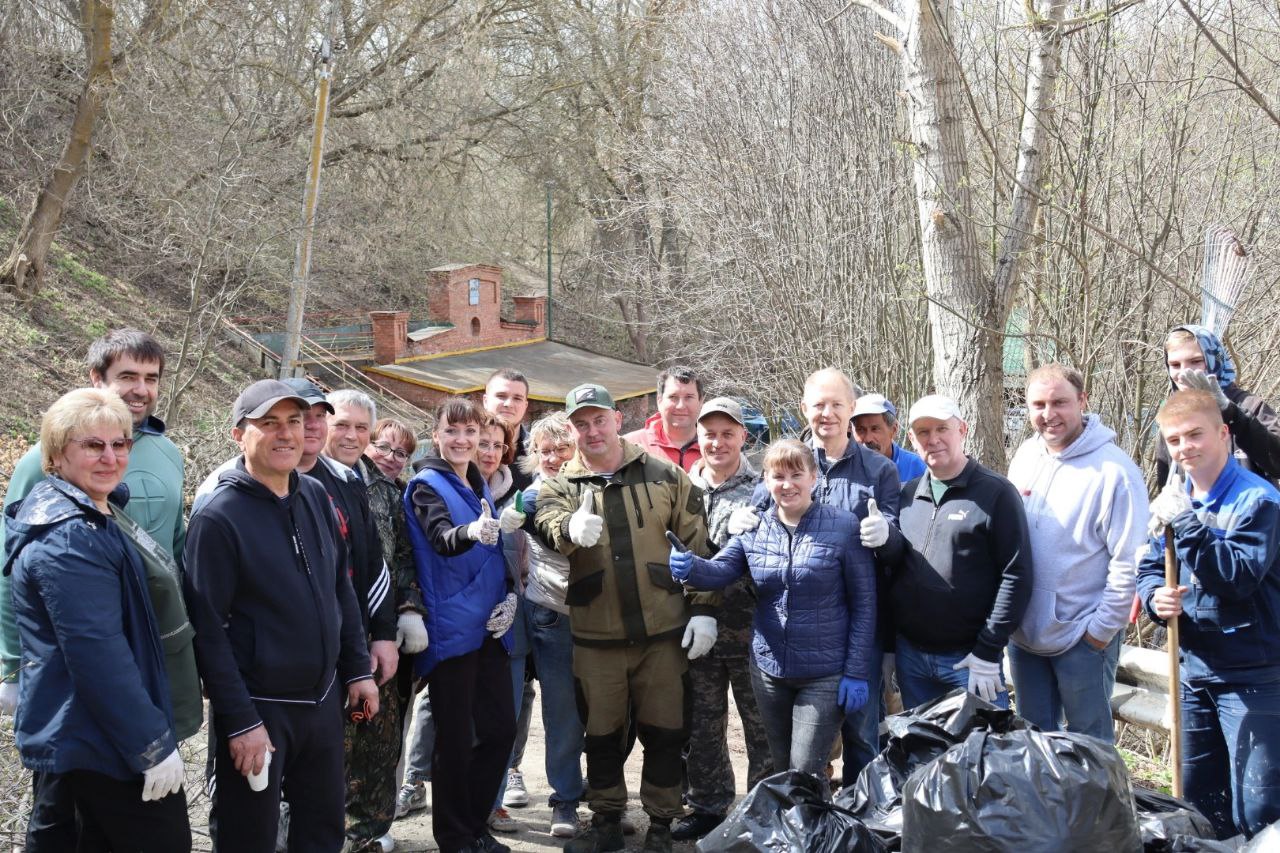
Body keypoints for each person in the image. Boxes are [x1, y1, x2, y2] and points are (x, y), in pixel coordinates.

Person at [184, 379, 378, 853]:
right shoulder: (218, 518)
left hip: (323, 703)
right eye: (268, 423)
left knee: (322, 833)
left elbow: (340, 589)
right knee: (247, 837)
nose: (286, 434)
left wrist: (356, 668)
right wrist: (240, 721)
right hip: (261, 709)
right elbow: (208, 634)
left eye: (294, 421)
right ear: (239, 434)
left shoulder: (314, 496)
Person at [3, 388, 189, 852]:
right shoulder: (68, 539)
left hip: (96, 735)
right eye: (92, 445)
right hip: (95, 741)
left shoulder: (98, 513)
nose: (110, 457)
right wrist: (152, 745)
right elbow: (97, 653)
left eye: (119, 444)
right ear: (55, 455)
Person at [535, 383, 715, 853]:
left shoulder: (665, 474)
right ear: (572, 429)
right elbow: (549, 525)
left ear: (617, 418)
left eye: (599, 419)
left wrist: (703, 611)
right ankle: (608, 817)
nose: (592, 431)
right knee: (601, 735)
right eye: (581, 423)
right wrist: (570, 528)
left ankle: (661, 822)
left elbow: (696, 545)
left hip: (662, 634)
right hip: (597, 637)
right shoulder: (561, 484)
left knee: (665, 732)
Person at [1, 329, 187, 718]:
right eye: (128, 377)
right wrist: (12, 667)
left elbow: (176, 548)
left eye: (151, 379)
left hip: (158, 645)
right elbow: (10, 560)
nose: (141, 390)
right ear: (96, 378)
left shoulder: (170, 453)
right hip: (78, 652)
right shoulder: (47, 458)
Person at [732, 367, 899, 782]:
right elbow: (754, 529)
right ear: (804, 408)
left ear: (852, 408)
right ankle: (808, 819)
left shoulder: (879, 472)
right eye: (818, 405)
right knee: (801, 748)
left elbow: (898, 547)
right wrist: (736, 522)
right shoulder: (784, 463)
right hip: (797, 638)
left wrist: (887, 535)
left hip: (860, 628)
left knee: (862, 733)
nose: (827, 413)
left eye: (836, 404)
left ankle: (863, 823)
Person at [671, 437, 875, 776]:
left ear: (814, 478)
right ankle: (788, 829)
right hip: (769, 671)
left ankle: (815, 828)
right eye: (778, 476)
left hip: (823, 672)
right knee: (781, 768)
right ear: (766, 481)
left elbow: (865, 604)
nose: (787, 484)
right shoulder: (756, 527)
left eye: (796, 475)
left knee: (805, 769)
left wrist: (855, 671)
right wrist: (690, 566)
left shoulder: (843, 527)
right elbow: (721, 570)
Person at [1138, 389, 1280, 840]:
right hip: (1193, 671)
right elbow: (1147, 567)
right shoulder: (1172, 500)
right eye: (1175, 440)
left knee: (1258, 802)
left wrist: (1188, 525)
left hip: (1253, 675)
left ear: (1223, 433)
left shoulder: (1259, 501)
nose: (1186, 448)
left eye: (1196, 434)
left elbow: (1236, 577)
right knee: (1198, 798)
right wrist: (1157, 598)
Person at [1006, 364, 1148, 742]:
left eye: (1059, 402)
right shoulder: (1024, 457)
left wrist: (1099, 633)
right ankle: (1044, 805)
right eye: (1038, 404)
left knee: (1089, 745)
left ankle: (1098, 805)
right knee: (1034, 742)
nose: (1048, 414)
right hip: (1024, 637)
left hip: (1082, 637)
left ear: (1082, 401)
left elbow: (1129, 561)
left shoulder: (1115, 472)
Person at [404, 397, 518, 853]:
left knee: (499, 729)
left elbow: (496, 553)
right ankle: (453, 837)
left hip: (489, 624)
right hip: (451, 626)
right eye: (452, 432)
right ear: (437, 435)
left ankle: (473, 825)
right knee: (453, 739)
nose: (462, 440)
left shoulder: (476, 482)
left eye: (469, 433)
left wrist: (511, 594)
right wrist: (470, 533)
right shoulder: (426, 485)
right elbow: (441, 538)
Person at [878, 395, 1032, 710]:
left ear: (962, 429)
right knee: (926, 756)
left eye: (941, 429)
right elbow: (896, 575)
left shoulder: (995, 493)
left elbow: (1016, 574)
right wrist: (891, 646)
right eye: (923, 432)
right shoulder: (908, 496)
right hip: (912, 660)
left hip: (969, 661)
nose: (932, 439)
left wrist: (989, 650)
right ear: (911, 439)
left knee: (981, 755)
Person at [327, 391, 426, 853]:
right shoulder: (311, 483)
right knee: (332, 742)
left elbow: (404, 557)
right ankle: (322, 829)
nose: (352, 437)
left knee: (376, 735)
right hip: (328, 639)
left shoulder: (389, 493)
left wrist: (407, 610)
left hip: (379, 636)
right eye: (342, 426)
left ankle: (370, 829)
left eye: (359, 428)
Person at [672, 397, 773, 841]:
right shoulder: (679, 488)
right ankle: (709, 805)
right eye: (709, 433)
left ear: (743, 437)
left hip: (753, 625)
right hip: (695, 624)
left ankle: (762, 808)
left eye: (727, 433)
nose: (718, 442)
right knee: (703, 722)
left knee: (761, 724)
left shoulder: (761, 487)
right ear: (698, 436)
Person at [505, 412, 584, 838]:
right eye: (544, 450)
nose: (553, 457)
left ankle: (605, 795)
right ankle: (565, 800)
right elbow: (507, 528)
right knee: (563, 713)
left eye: (561, 448)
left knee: (612, 713)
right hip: (551, 613)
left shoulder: (596, 488)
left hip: (600, 619)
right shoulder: (530, 496)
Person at [476, 414, 529, 835]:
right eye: (482, 443)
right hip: (459, 628)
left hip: (506, 625)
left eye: (497, 445)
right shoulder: (443, 489)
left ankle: (490, 804)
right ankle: (459, 808)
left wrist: (514, 594)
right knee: (460, 724)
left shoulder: (516, 495)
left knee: (500, 720)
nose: (489, 452)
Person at [1157, 324, 1280, 487]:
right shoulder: (1172, 419)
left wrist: (1231, 413)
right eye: (1175, 365)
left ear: (1214, 360)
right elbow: (1166, 483)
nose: (1184, 372)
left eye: (1195, 361)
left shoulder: (1250, 405)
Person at [624, 366, 704, 471]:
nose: (681, 406)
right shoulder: (627, 446)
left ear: (701, 401)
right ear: (659, 401)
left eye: (689, 397)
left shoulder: (717, 449)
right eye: (673, 397)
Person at [852, 393, 926, 484]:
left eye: (875, 429)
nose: (868, 439)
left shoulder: (917, 468)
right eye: (861, 430)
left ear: (894, 430)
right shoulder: (844, 471)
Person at [483, 368, 533, 492]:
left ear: (525, 406)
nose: (509, 404)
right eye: (501, 396)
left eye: (517, 398)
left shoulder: (538, 453)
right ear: (485, 401)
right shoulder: (464, 447)